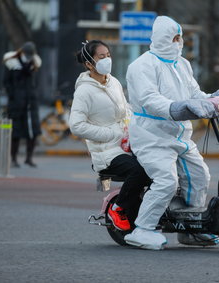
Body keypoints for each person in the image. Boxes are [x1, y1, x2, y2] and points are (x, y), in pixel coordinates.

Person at [123, 16, 219, 250]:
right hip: (152, 137)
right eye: (174, 38)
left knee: (200, 175)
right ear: (162, 38)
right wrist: (179, 108)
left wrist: (217, 98)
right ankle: (142, 229)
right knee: (166, 182)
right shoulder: (141, 66)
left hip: (180, 135)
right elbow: (151, 101)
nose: (179, 42)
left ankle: (190, 228)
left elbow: (194, 93)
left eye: (180, 38)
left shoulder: (182, 64)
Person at [69, 40, 151, 231]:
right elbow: (76, 126)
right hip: (106, 152)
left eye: (108, 55)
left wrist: (138, 123)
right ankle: (118, 207)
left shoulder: (113, 81)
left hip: (126, 144)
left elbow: (125, 110)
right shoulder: (84, 91)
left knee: (158, 165)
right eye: (101, 56)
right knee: (140, 171)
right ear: (89, 63)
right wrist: (111, 133)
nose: (107, 60)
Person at [3, 41, 42, 168]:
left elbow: (34, 83)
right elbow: (6, 82)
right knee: (15, 133)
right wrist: (12, 96)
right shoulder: (12, 63)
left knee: (33, 132)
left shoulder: (34, 63)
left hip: (31, 103)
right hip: (16, 103)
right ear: (22, 52)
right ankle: (13, 158)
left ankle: (28, 158)